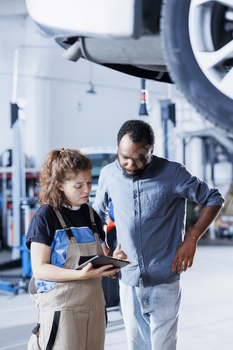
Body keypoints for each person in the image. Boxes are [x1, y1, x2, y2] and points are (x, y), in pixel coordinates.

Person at [93, 120, 225, 350]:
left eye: (139, 158)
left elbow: (213, 198)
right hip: (128, 278)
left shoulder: (173, 173)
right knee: (137, 346)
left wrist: (192, 237)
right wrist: (101, 243)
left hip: (165, 279)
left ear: (151, 151)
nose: (130, 164)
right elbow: (98, 213)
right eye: (124, 157)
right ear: (117, 148)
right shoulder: (108, 175)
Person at [26, 147, 127, 350]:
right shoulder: (46, 217)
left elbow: (100, 254)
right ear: (60, 185)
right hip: (62, 310)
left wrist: (111, 260)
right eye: (78, 185)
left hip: (95, 308)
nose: (87, 190)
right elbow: (40, 269)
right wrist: (79, 275)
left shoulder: (91, 215)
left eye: (89, 182)